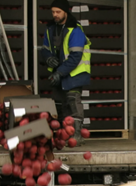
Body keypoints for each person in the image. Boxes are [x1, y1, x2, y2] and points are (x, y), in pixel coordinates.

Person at [41, 0, 91, 146]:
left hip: (75, 74)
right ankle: (65, 135)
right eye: (53, 12)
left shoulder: (75, 30)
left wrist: (59, 72)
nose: (55, 15)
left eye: (58, 12)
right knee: (61, 105)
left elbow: (76, 56)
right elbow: (45, 48)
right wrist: (48, 58)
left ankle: (76, 136)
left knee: (73, 102)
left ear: (66, 12)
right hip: (61, 74)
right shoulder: (50, 29)